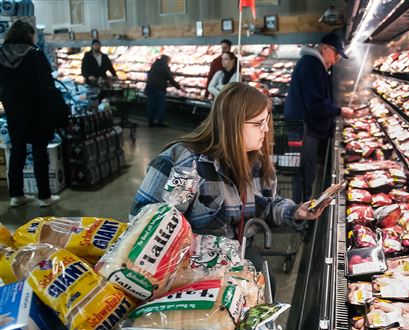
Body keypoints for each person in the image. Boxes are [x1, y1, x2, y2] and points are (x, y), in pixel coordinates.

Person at [131, 82, 329, 286]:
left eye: (267, 121)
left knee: (267, 285)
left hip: (239, 251)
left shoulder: (256, 161)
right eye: (257, 123)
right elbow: (144, 222)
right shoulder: (182, 164)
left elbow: (268, 203)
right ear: (232, 123)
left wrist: (296, 211)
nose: (266, 129)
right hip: (189, 266)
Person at [284, 32, 354, 204]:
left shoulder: (314, 64)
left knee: (305, 172)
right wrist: (339, 111)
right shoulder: (312, 65)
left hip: (306, 128)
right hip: (304, 130)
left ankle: (302, 209)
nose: (337, 58)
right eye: (335, 53)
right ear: (324, 48)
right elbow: (314, 104)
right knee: (304, 173)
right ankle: (301, 215)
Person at [0, 20, 60, 207]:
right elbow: (47, 84)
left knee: (17, 151)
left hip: (13, 110)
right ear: (28, 35)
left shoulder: (0, 55)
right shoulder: (35, 55)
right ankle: (44, 196)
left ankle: (16, 195)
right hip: (37, 110)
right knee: (39, 152)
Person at [145, 54, 182, 128]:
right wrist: (178, 87)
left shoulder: (154, 65)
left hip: (150, 88)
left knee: (151, 105)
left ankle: (151, 121)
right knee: (160, 106)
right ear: (166, 60)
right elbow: (170, 78)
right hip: (160, 89)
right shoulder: (165, 67)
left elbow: (149, 76)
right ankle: (159, 122)